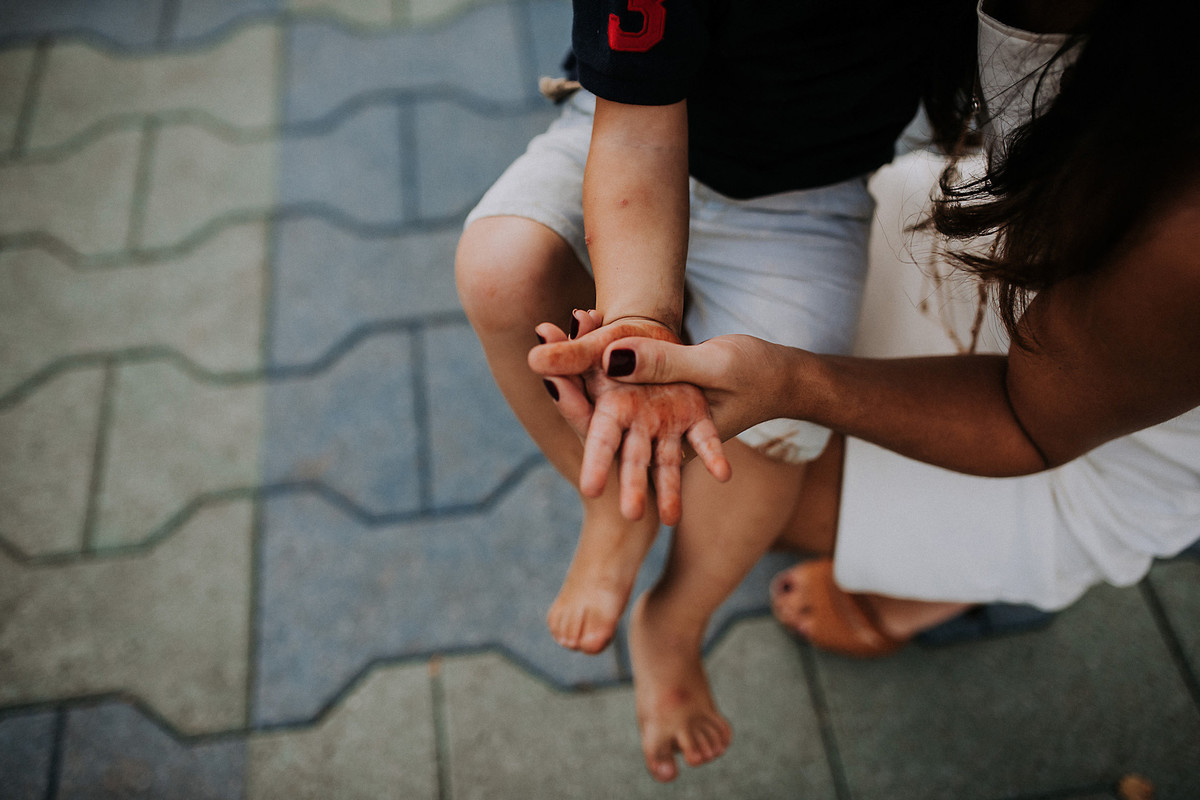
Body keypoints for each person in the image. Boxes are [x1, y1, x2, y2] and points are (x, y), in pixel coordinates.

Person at [530, 0, 1200, 780]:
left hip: (1101, 427)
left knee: (728, 478)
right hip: (1015, 236)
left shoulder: (1186, 235)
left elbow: (1031, 421)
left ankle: (923, 588)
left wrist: (790, 383)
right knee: (693, 445)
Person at [456, 0, 966, 780]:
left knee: (783, 411)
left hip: (808, 196)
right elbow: (632, 133)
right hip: (615, 134)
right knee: (501, 268)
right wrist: (640, 324)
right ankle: (613, 507)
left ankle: (675, 618)